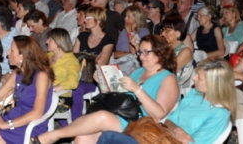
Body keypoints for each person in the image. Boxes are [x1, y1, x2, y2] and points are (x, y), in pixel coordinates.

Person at [35, 35, 179, 144]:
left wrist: (137, 90)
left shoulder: (168, 78)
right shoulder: (138, 71)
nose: (141, 56)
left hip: (140, 122)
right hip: (120, 114)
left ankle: (55, 135)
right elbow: (118, 96)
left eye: (147, 52)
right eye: (140, 52)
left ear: (160, 53)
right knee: (82, 137)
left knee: (102, 116)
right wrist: (103, 83)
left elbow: (159, 114)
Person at [96, 59, 236, 144]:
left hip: (164, 141)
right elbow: (169, 120)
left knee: (109, 137)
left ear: (213, 84)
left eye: (199, 77)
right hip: (160, 137)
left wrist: (175, 134)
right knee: (108, 135)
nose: (193, 79)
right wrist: (178, 129)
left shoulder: (219, 114)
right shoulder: (195, 94)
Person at [47, 28, 80, 114]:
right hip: (42, 95)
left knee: (27, 105)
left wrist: (50, 89)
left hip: (60, 98)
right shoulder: (47, 57)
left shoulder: (71, 61)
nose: (47, 41)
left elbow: (73, 82)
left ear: (58, 41)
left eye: (50, 39)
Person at [160, 13, 194, 88]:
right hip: (161, 82)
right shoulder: (165, 47)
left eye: (167, 31)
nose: (162, 34)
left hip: (172, 87)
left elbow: (169, 71)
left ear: (178, 33)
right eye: (162, 30)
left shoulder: (185, 51)